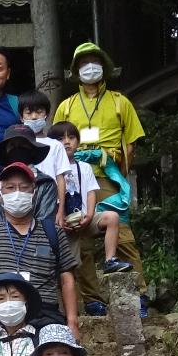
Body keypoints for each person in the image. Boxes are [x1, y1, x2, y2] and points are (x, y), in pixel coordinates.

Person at [52, 42, 146, 282]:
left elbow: (131, 144)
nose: (89, 67)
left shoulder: (120, 102)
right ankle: (93, 300)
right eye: (83, 63)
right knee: (79, 239)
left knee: (123, 235)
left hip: (106, 176)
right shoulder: (67, 105)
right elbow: (56, 145)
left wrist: (118, 176)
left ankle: (139, 295)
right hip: (73, 178)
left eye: (94, 62)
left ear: (104, 67)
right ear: (76, 70)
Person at [0, 162, 79, 339]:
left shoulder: (53, 232)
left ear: (34, 193)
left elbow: (66, 280)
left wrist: (72, 322)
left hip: (45, 317)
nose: (17, 193)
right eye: (10, 188)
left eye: (24, 187)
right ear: (0, 196)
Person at [47, 119, 109, 316]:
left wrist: (90, 215)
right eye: (60, 138)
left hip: (83, 219)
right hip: (60, 223)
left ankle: (93, 300)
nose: (66, 142)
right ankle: (65, 308)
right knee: (66, 264)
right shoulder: (49, 167)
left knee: (86, 256)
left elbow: (91, 192)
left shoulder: (84, 167)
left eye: (71, 137)